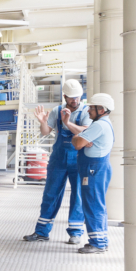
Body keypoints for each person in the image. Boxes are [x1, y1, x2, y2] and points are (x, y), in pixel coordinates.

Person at [23, 78, 90, 244]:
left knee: (78, 196)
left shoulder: (86, 111)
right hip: (58, 159)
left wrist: (68, 123)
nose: (74, 100)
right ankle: (41, 232)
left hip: (78, 159)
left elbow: (86, 131)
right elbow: (46, 132)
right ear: (65, 96)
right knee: (50, 194)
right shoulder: (57, 111)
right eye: (71, 97)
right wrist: (43, 122)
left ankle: (75, 232)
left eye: (77, 97)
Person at [71, 93, 116, 254]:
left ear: (101, 109)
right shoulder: (105, 124)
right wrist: (81, 138)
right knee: (96, 204)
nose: (88, 110)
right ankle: (100, 240)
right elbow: (81, 143)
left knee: (93, 204)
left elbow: (77, 144)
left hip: (93, 170)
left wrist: (77, 137)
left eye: (92, 107)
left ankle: (98, 242)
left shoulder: (99, 126)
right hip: (98, 168)